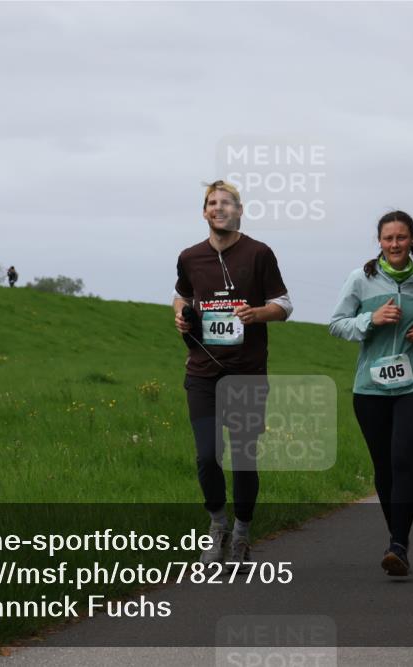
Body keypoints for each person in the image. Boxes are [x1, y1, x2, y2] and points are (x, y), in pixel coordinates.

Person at [173, 180, 292, 565]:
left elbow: (284, 304)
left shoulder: (259, 253)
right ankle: (217, 526)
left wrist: (257, 314)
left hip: (246, 373)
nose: (219, 208)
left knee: (243, 456)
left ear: (239, 211)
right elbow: (182, 295)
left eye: (226, 203)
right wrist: (180, 315)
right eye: (212, 202)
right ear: (204, 212)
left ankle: (242, 533)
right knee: (208, 456)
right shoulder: (190, 257)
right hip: (203, 371)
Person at [329, 210, 413, 577]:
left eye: (401, 237)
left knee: (401, 459)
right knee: (382, 466)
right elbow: (336, 325)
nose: (395, 244)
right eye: (388, 238)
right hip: (371, 388)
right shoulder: (360, 280)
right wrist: (370, 320)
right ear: (379, 242)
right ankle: (397, 538)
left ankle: (398, 544)